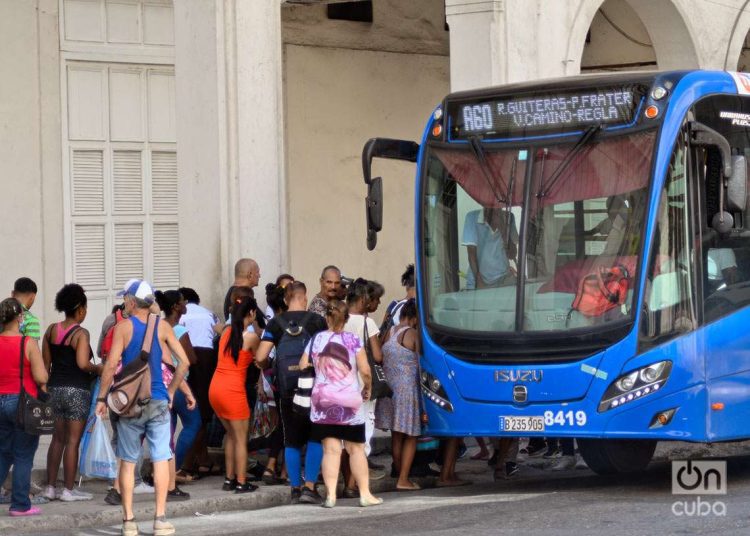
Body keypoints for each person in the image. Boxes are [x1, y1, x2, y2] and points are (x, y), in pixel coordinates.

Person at [95, 280, 190, 536]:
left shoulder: (123, 328)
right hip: (158, 400)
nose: (125, 301)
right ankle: (160, 519)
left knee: (127, 461)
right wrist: (171, 392)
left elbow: (110, 366)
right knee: (160, 458)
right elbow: (184, 362)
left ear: (132, 301)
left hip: (130, 404)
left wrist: (102, 399)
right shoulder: (164, 327)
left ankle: (129, 521)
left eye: (126, 297)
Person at [301, 299, 382, 508]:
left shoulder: (317, 339)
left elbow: (303, 364)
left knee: (330, 450)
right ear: (346, 319)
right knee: (356, 449)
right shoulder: (353, 340)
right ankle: (365, 494)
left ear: (327, 317)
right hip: (349, 402)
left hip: (322, 402)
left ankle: (330, 496)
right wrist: (367, 387)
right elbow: (365, 370)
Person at [255, 281, 327, 504]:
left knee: (292, 439)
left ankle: (295, 489)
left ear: (286, 299)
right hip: (313, 387)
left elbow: (260, 357)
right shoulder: (317, 321)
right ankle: (310, 487)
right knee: (316, 437)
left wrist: (270, 365)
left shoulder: (275, 323)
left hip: (286, 389)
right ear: (303, 298)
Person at [42, 284, 102, 502]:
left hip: (54, 389)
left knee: (57, 439)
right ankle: (68, 489)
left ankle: (49, 487)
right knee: (73, 441)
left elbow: (45, 364)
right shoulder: (81, 333)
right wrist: (99, 369)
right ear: (80, 310)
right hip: (77, 390)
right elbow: (83, 364)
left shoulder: (50, 330)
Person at [0, 298, 48, 516]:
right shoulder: (26, 342)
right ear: (20, 317)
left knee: (3, 453)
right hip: (22, 403)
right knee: (23, 455)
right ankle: (20, 505)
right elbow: (40, 376)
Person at [209, 295, 260, 494]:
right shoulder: (251, 337)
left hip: (215, 388)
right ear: (252, 313)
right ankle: (241, 481)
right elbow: (261, 358)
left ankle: (229, 479)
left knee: (230, 435)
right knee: (240, 438)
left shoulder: (226, 332)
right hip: (233, 391)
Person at [154, 290, 199, 500]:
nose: (185, 304)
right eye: (182, 302)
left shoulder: (158, 326)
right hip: (178, 384)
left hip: (161, 384)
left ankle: (161, 473)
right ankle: (176, 467)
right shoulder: (179, 330)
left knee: (168, 432)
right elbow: (191, 358)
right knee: (193, 423)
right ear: (175, 307)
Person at [374, 298, 422, 490]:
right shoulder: (412, 334)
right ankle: (404, 478)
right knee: (410, 435)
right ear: (415, 318)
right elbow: (422, 361)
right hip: (407, 391)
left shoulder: (388, 333)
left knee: (396, 435)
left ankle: (399, 474)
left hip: (389, 390)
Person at [342, 279, 385, 487]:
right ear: (364, 299)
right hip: (361, 386)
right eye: (375, 300)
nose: (377, 304)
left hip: (339, 386)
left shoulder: (337, 319)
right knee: (362, 435)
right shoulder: (367, 323)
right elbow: (377, 356)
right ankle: (354, 485)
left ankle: (342, 481)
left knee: (342, 437)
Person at [176, 287, 220, 481]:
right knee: (202, 413)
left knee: (192, 415)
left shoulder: (180, 316)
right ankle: (200, 459)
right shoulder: (209, 314)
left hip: (186, 361)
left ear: (183, 301)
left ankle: (191, 462)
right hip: (207, 362)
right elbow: (218, 334)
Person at [462, 207, 518, 289]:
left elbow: (512, 255)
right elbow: (471, 254)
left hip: (503, 278)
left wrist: (503, 229)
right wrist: (479, 280)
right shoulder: (472, 217)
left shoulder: (509, 217)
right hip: (478, 277)